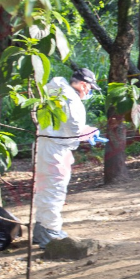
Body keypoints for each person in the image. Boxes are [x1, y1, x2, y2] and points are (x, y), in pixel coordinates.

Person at [33, 68, 106, 248]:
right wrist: (90, 133)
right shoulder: (71, 99)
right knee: (54, 190)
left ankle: (41, 229)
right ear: (83, 85)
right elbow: (73, 131)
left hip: (46, 146)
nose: (89, 92)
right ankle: (50, 233)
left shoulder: (55, 93)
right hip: (56, 150)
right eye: (89, 88)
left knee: (45, 189)